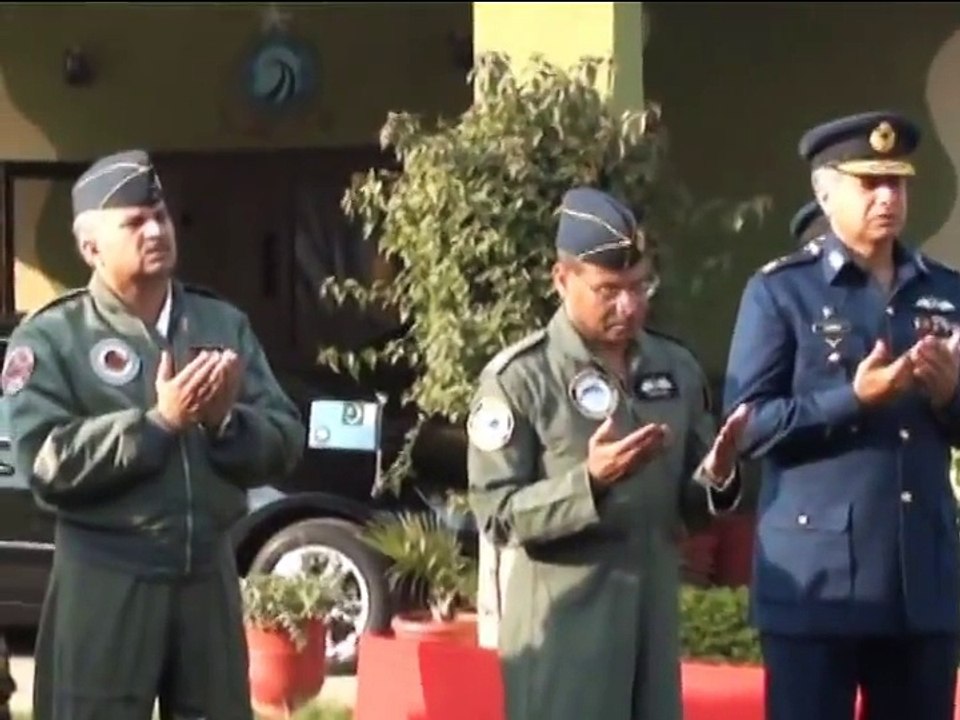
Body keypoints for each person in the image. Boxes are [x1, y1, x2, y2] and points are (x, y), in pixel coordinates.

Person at [3, 149, 306, 720]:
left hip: (207, 575)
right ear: (90, 247)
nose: (155, 230)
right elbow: (45, 462)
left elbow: (286, 440)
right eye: (134, 221)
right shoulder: (53, 339)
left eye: (160, 216)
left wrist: (225, 423)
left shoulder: (220, 325)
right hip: (106, 578)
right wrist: (158, 425)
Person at [467, 186, 749, 720]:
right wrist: (588, 483)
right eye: (609, 289)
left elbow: (689, 503)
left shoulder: (675, 368)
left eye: (641, 287)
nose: (629, 305)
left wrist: (719, 473)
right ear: (561, 279)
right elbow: (496, 516)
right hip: (567, 635)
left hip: (653, 625)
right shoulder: (522, 378)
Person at [722, 111, 960, 720]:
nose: (888, 196)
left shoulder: (946, 291)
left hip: (921, 582)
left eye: (897, 182)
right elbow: (747, 426)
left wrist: (949, 397)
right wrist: (853, 399)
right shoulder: (782, 292)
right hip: (818, 584)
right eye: (868, 182)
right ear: (825, 193)